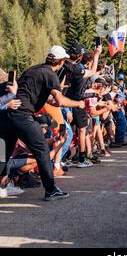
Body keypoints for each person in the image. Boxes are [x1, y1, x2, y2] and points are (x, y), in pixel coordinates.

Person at [0, 45, 86, 201]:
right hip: (23, 115)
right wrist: (78, 104)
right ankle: (51, 190)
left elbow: (48, 99)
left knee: (5, 153)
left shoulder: (33, 69)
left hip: (8, 115)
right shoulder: (50, 74)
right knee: (42, 151)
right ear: (60, 62)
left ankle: (1, 187)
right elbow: (59, 101)